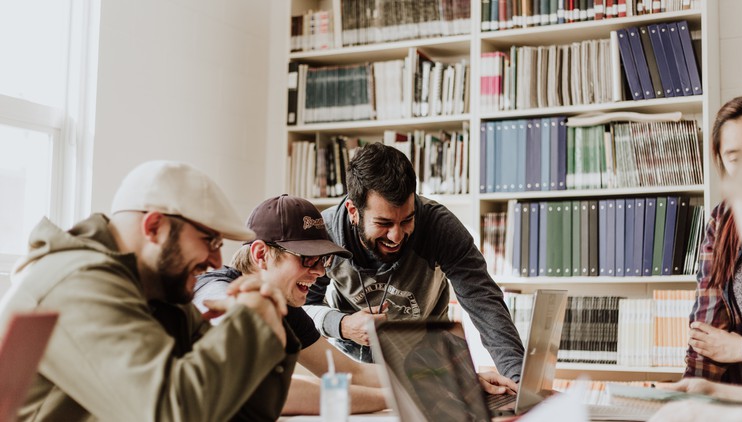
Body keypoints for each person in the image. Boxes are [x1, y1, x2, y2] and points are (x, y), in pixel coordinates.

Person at [0, 161, 299, 421]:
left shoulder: (160, 292)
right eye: (209, 240)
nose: (216, 261)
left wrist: (269, 322)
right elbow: (171, 412)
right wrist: (250, 321)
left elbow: (247, 413)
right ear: (154, 226)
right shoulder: (77, 284)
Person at [303, 142, 525, 388]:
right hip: (353, 368)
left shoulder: (439, 227)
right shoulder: (325, 233)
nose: (396, 236)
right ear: (353, 211)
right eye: (384, 223)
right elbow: (302, 309)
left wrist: (519, 385)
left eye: (407, 220)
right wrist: (342, 325)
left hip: (428, 363)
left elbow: (485, 302)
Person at [193, 194, 386, 415]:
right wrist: (391, 398)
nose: (320, 272)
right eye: (307, 258)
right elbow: (265, 389)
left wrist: (420, 380)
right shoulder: (213, 291)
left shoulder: (284, 307)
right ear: (261, 254)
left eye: (322, 260)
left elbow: (350, 373)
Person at [685, 94, 742, 384]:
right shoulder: (723, 220)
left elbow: (729, 346)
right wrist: (689, 392)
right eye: (736, 158)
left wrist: (741, 348)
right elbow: (706, 332)